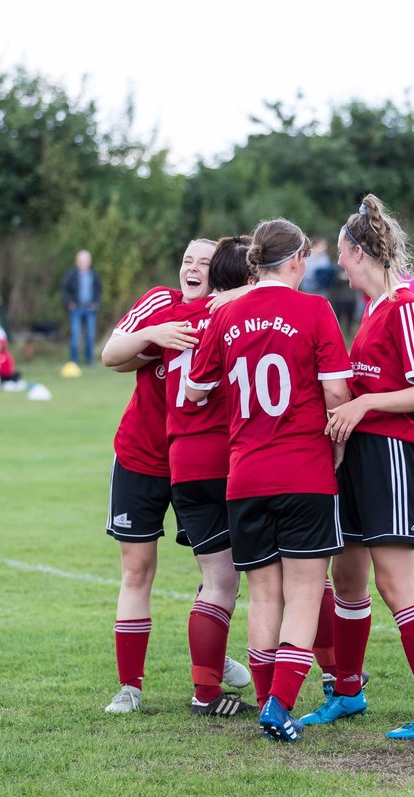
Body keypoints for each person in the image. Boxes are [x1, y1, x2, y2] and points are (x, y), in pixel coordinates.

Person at [298, 194, 414, 740]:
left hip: (391, 455)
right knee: (347, 577)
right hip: (358, 456)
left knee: (395, 583)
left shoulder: (406, 308)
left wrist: (364, 404)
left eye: (343, 254)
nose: (338, 264)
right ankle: (347, 691)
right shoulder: (373, 311)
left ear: (359, 251)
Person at [184, 218, 353, 742]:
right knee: (304, 592)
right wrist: (339, 448)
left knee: (263, 595)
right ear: (298, 259)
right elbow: (338, 397)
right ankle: (279, 706)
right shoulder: (315, 309)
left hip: (246, 473)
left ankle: (264, 700)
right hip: (303, 470)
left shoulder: (228, 312)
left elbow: (194, 389)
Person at [152, 235, 259, 717]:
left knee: (216, 580)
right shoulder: (235, 316)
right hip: (228, 456)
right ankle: (323, 676)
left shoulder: (181, 315)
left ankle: (205, 691)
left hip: (182, 461)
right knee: (264, 578)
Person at [97, 238, 205, 713]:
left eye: (204, 262)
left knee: (218, 573)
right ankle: (130, 687)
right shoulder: (161, 300)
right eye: (186, 260)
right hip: (141, 455)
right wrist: (153, 335)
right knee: (137, 569)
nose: (192, 269)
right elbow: (110, 354)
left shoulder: (230, 312)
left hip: (199, 460)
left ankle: (211, 655)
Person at [61, 250, 102, 366]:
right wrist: (69, 303)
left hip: (90, 309)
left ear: (89, 262)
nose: (83, 263)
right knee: (75, 336)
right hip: (76, 309)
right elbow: (64, 290)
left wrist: (96, 303)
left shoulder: (94, 275)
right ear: (77, 262)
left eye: (85, 260)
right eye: (81, 261)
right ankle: (74, 362)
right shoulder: (71, 275)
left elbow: (99, 291)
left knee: (90, 336)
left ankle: (89, 361)